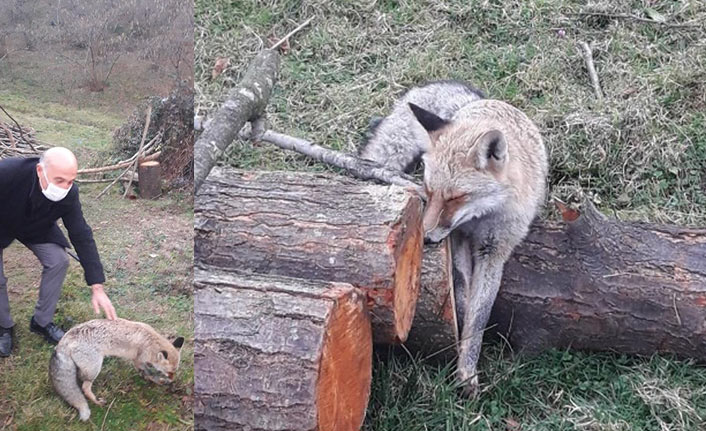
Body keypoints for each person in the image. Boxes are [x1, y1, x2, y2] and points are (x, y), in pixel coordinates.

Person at [0, 147, 117, 357]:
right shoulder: (7, 173)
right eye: (59, 180)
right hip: (3, 222)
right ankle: (4, 327)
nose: (64, 187)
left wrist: (97, 285)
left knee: (59, 260)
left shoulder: (69, 194)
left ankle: (41, 322)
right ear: (39, 170)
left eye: (70, 181)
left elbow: (81, 233)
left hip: (37, 226)